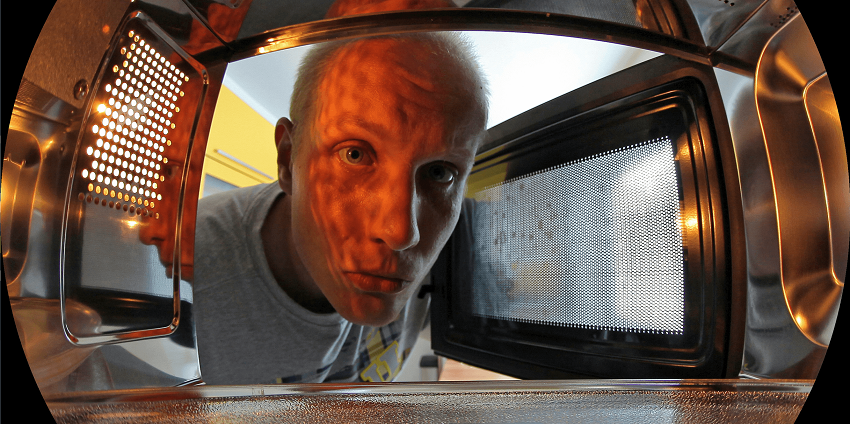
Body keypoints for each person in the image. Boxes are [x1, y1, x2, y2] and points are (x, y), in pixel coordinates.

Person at [191, 30, 489, 384]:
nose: (400, 233)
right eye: (355, 155)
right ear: (288, 160)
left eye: (439, 172)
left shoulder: (457, 257)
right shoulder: (181, 278)